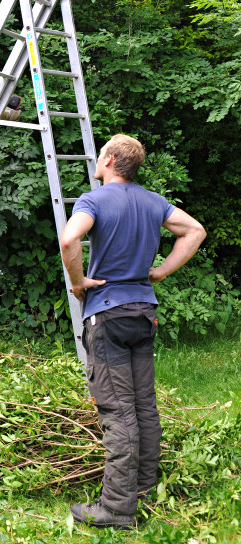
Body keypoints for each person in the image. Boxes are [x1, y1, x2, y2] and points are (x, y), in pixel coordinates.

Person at [60, 134, 206, 530]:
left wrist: (78, 283)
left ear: (108, 160)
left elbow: (70, 238)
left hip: (108, 315)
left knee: (119, 413)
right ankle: (143, 488)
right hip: (144, 314)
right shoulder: (154, 202)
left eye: (99, 154)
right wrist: (159, 272)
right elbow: (194, 232)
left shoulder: (93, 200)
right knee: (144, 406)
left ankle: (116, 510)